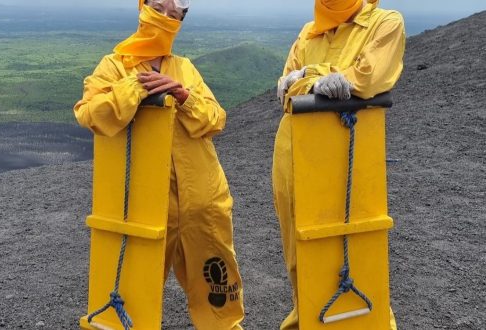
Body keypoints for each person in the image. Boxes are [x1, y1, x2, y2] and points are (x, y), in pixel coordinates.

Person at [73, 1, 244, 329]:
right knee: (133, 297)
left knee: (219, 292)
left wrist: (183, 95)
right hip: (145, 211)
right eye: (158, 8)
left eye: (174, 14)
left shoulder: (185, 68)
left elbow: (216, 119)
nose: (165, 19)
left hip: (204, 204)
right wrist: (135, 87)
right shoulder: (113, 67)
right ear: (142, 8)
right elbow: (88, 112)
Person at [274, 0, 405, 329]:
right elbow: (287, 95)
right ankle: (307, 320)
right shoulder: (308, 32)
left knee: (358, 247)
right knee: (300, 252)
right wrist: (313, 82)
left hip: (351, 157)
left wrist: (308, 75)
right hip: (293, 154)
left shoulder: (385, 23)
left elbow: (367, 79)